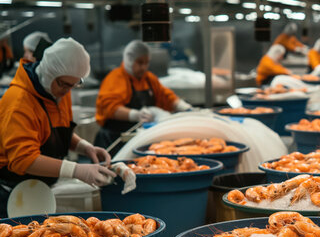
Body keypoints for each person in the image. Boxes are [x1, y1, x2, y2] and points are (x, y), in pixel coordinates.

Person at [0, 38, 116, 218]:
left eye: (74, 84)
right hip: (12, 193)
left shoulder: (58, 90)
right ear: (48, 73)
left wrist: (85, 147)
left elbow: (59, 131)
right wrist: (77, 170)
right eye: (64, 84)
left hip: (42, 187)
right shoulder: (19, 103)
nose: (68, 90)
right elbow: (24, 160)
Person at [94, 40, 193, 154]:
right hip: (114, 140)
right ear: (129, 60)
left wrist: (182, 106)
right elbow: (109, 108)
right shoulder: (115, 78)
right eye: (140, 63)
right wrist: (134, 115)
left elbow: (165, 95)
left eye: (147, 63)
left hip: (138, 138)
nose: (144, 67)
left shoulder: (149, 79)